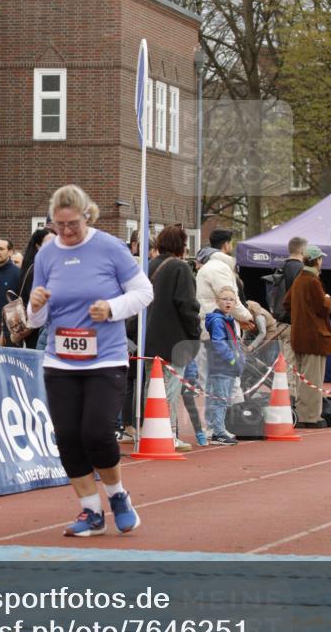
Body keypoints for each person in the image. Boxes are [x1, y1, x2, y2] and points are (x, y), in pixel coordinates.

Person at [27, 184, 153, 537]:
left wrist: (111, 309)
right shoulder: (46, 255)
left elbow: (144, 292)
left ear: (86, 216)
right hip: (60, 359)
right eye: (59, 226)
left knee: (96, 432)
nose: (65, 232)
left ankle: (118, 496)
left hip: (105, 359)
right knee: (67, 436)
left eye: (72, 225)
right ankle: (90, 511)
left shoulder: (109, 247)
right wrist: (35, 305)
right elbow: (36, 319)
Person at [144, 224, 203, 451]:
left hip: (148, 336)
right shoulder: (180, 268)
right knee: (170, 388)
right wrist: (194, 333)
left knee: (152, 386)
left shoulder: (149, 266)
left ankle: (151, 430)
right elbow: (187, 305)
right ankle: (167, 433)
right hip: (173, 338)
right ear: (181, 245)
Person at [282, 244, 331, 428]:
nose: (322, 262)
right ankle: (310, 416)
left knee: (303, 377)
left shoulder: (298, 280)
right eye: (321, 259)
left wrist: (301, 314)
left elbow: (286, 302)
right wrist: (328, 298)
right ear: (316, 260)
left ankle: (304, 413)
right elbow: (323, 307)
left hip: (299, 335)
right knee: (313, 378)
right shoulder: (312, 281)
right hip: (315, 337)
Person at [204, 287, 245, 445]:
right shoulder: (218, 320)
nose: (228, 302)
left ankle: (219, 429)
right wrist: (233, 360)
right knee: (220, 400)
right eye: (224, 299)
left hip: (228, 369)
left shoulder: (229, 321)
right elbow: (219, 343)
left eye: (231, 300)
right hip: (221, 367)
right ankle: (217, 432)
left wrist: (240, 360)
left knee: (224, 400)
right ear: (217, 301)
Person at [273, 236, 308, 404]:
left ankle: (288, 400)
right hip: (293, 323)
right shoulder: (300, 269)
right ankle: (291, 403)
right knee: (294, 366)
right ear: (302, 250)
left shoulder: (281, 267)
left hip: (279, 322)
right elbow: (299, 297)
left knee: (286, 363)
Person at [196, 228, 252, 328]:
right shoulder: (219, 268)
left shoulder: (210, 266)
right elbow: (229, 300)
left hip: (214, 324)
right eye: (231, 243)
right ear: (226, 244)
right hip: (218, 328)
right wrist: (248, 317)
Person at [17, 226, 54, 349]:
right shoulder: (38, 270)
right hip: (36, 329)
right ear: (38, 246)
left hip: (32, 328)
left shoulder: (29, 267)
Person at [244, 299, 280, 367]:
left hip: (270, 331)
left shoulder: (259, 316)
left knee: (269, 355)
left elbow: (262, 333)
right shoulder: (245, 315)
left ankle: (270, 370)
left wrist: (251, 346)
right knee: (259, 352)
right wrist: (242, 343)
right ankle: (263, 369)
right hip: (259, 333)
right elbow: (246, 330)